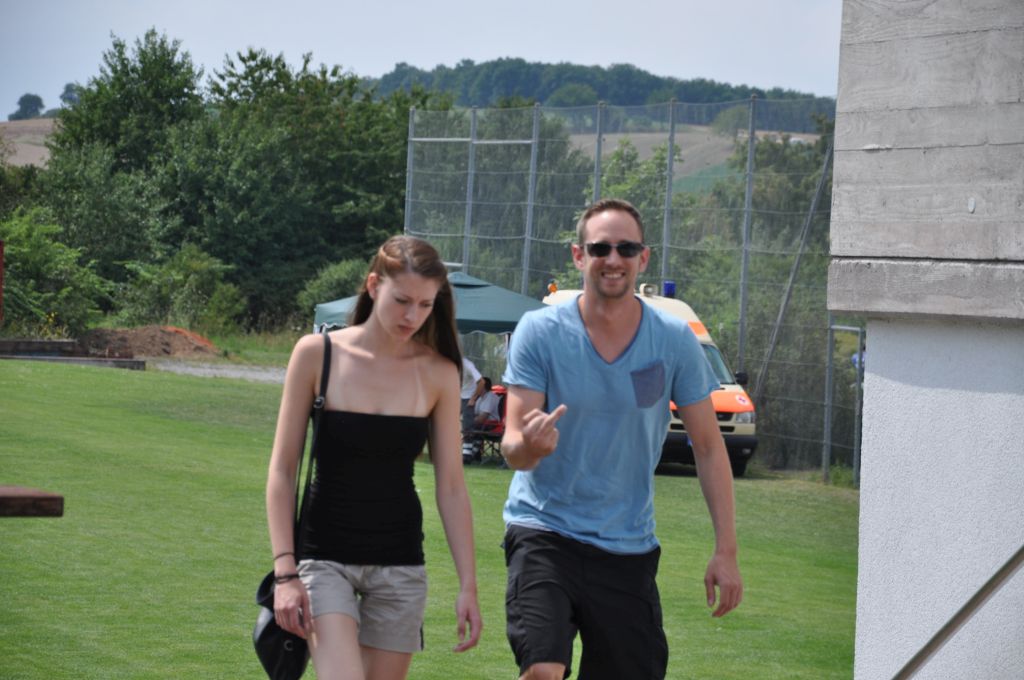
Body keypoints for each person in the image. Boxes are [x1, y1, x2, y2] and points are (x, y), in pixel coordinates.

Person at [500, 198, 743, 680]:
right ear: (578, 256)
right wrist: (530, 446)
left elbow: (709, 447)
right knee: (543, 668)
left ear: (643, 258)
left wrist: (726, 551)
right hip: (544, 530)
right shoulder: (540, 331)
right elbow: (512, 446)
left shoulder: (673, 340)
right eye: (600, 248)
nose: (613, 259)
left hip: (628, 547)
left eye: (626, 248)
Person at [266, 235, 482, 680]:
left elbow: (451, 487)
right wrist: (285, 572)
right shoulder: (317, 354)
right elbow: (283, 470)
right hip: (323, 557)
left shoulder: (440, 372)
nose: (412, 316)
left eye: (425, 305)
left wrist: (468, 585)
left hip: (401, 564)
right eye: (402, 300)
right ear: (372, 285)